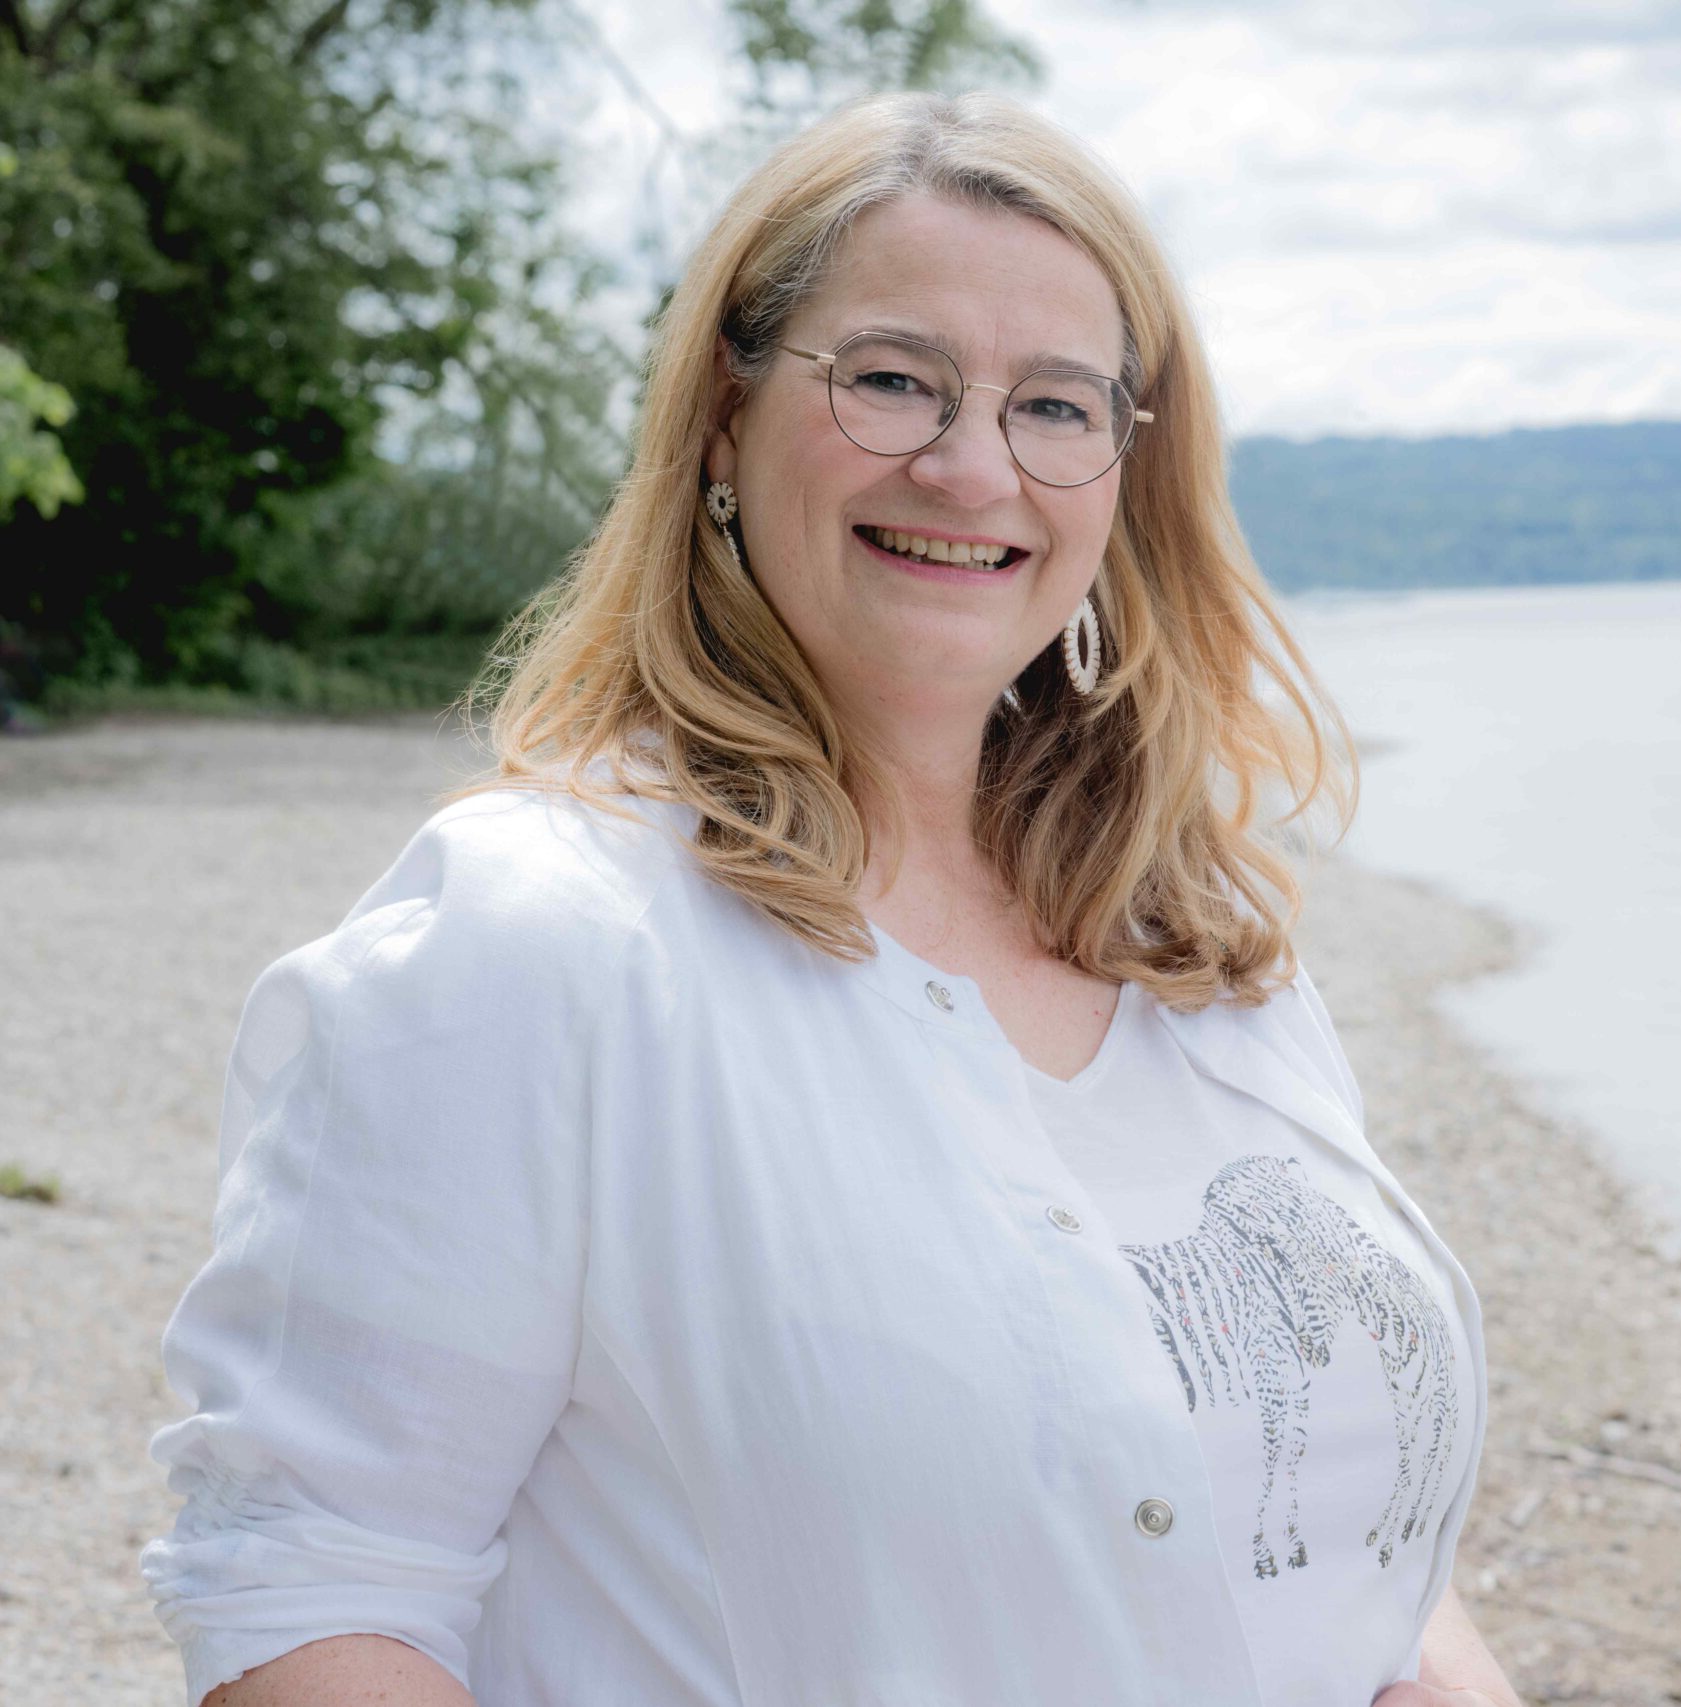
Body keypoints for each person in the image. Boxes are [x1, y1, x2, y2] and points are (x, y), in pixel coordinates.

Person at [138, 89, 1514, 1707]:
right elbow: (313, 1588)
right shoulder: (536, 946)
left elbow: (1353, 1536)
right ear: (725, 419)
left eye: (1055, 406)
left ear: (1125, 473)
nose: (972, 467)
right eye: (891, 380)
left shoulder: (1205, 952)